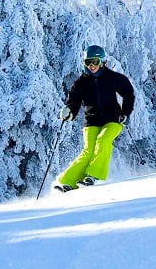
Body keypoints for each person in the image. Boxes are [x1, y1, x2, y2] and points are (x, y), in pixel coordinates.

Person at [54, 45, 136, 192]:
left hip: (113, 120)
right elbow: (73, 102)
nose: (91, 66)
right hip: (91, 121)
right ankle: (68, 181)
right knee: (88, 150)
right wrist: (69, 111)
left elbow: (128, 93)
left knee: (103, 140)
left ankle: (93, 175)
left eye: (95, 62)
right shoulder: (80, 83)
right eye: (88, 62)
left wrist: (125, 112)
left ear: (102, 61)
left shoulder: (113, 78)